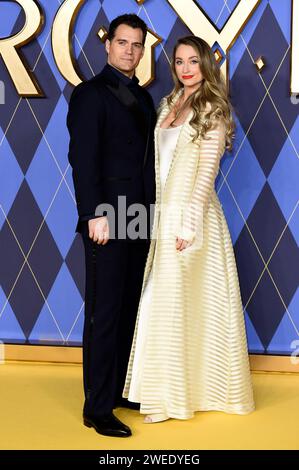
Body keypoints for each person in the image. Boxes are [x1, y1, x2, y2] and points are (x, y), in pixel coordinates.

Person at [123, 36, 255, 423]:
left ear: (206, 66)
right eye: (179, 61)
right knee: (161, 303)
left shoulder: (212, 107)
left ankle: (175, 398)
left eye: (193, 61)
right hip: (164, 219)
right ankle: (160, 392)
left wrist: (189, 223)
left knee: (184, 305)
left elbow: (206, 172)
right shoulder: (167, 104)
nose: (185, 69)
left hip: (191, 221)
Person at [66, 14, 156, 437]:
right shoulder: (90, 94)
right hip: (107, 215)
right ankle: (96, 408)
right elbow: (82, 161)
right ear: (108, 45)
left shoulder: (146, 98)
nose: (130, 51)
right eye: (123, 43)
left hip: (138, 215)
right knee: (104, 312)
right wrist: (93, 214)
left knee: (126, 310)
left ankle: (116, 389)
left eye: (137, 45)